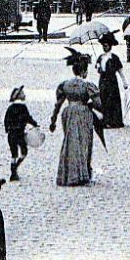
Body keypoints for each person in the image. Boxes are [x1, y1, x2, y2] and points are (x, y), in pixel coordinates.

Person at [49, 49, 100, 186]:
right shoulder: (87, 85)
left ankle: (68, 174)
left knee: (70, 142)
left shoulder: (65, 85)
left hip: (68, 113)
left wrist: (53, 121)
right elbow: (98, 103)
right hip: (83, 113)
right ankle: (82, 174)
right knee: (83, 143)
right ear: (84, 71)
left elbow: (58, 104)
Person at [3, 87, 39, 182]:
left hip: (11, 134)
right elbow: (28, 118)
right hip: (19, 134)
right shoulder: (23, 107)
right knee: (24, 152)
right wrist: (35, 124)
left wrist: (7, 128)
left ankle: (13, 170)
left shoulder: (10, 108)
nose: (24, 95)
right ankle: (15, 169)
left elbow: (6, 120)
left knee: (14, 153)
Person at [96, 33, 125, 129]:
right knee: (103, 99)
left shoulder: (114, 57)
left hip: (111, 81)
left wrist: (124, 82)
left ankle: (114, 121)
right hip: (103, 81)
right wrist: (98, 67)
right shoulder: (101, 57)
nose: (104, 48)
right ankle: (105, 120)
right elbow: (98, 69)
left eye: (106, 46)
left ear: (110, 46)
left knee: (112, 100)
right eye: (103, 46)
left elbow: (120, 70)